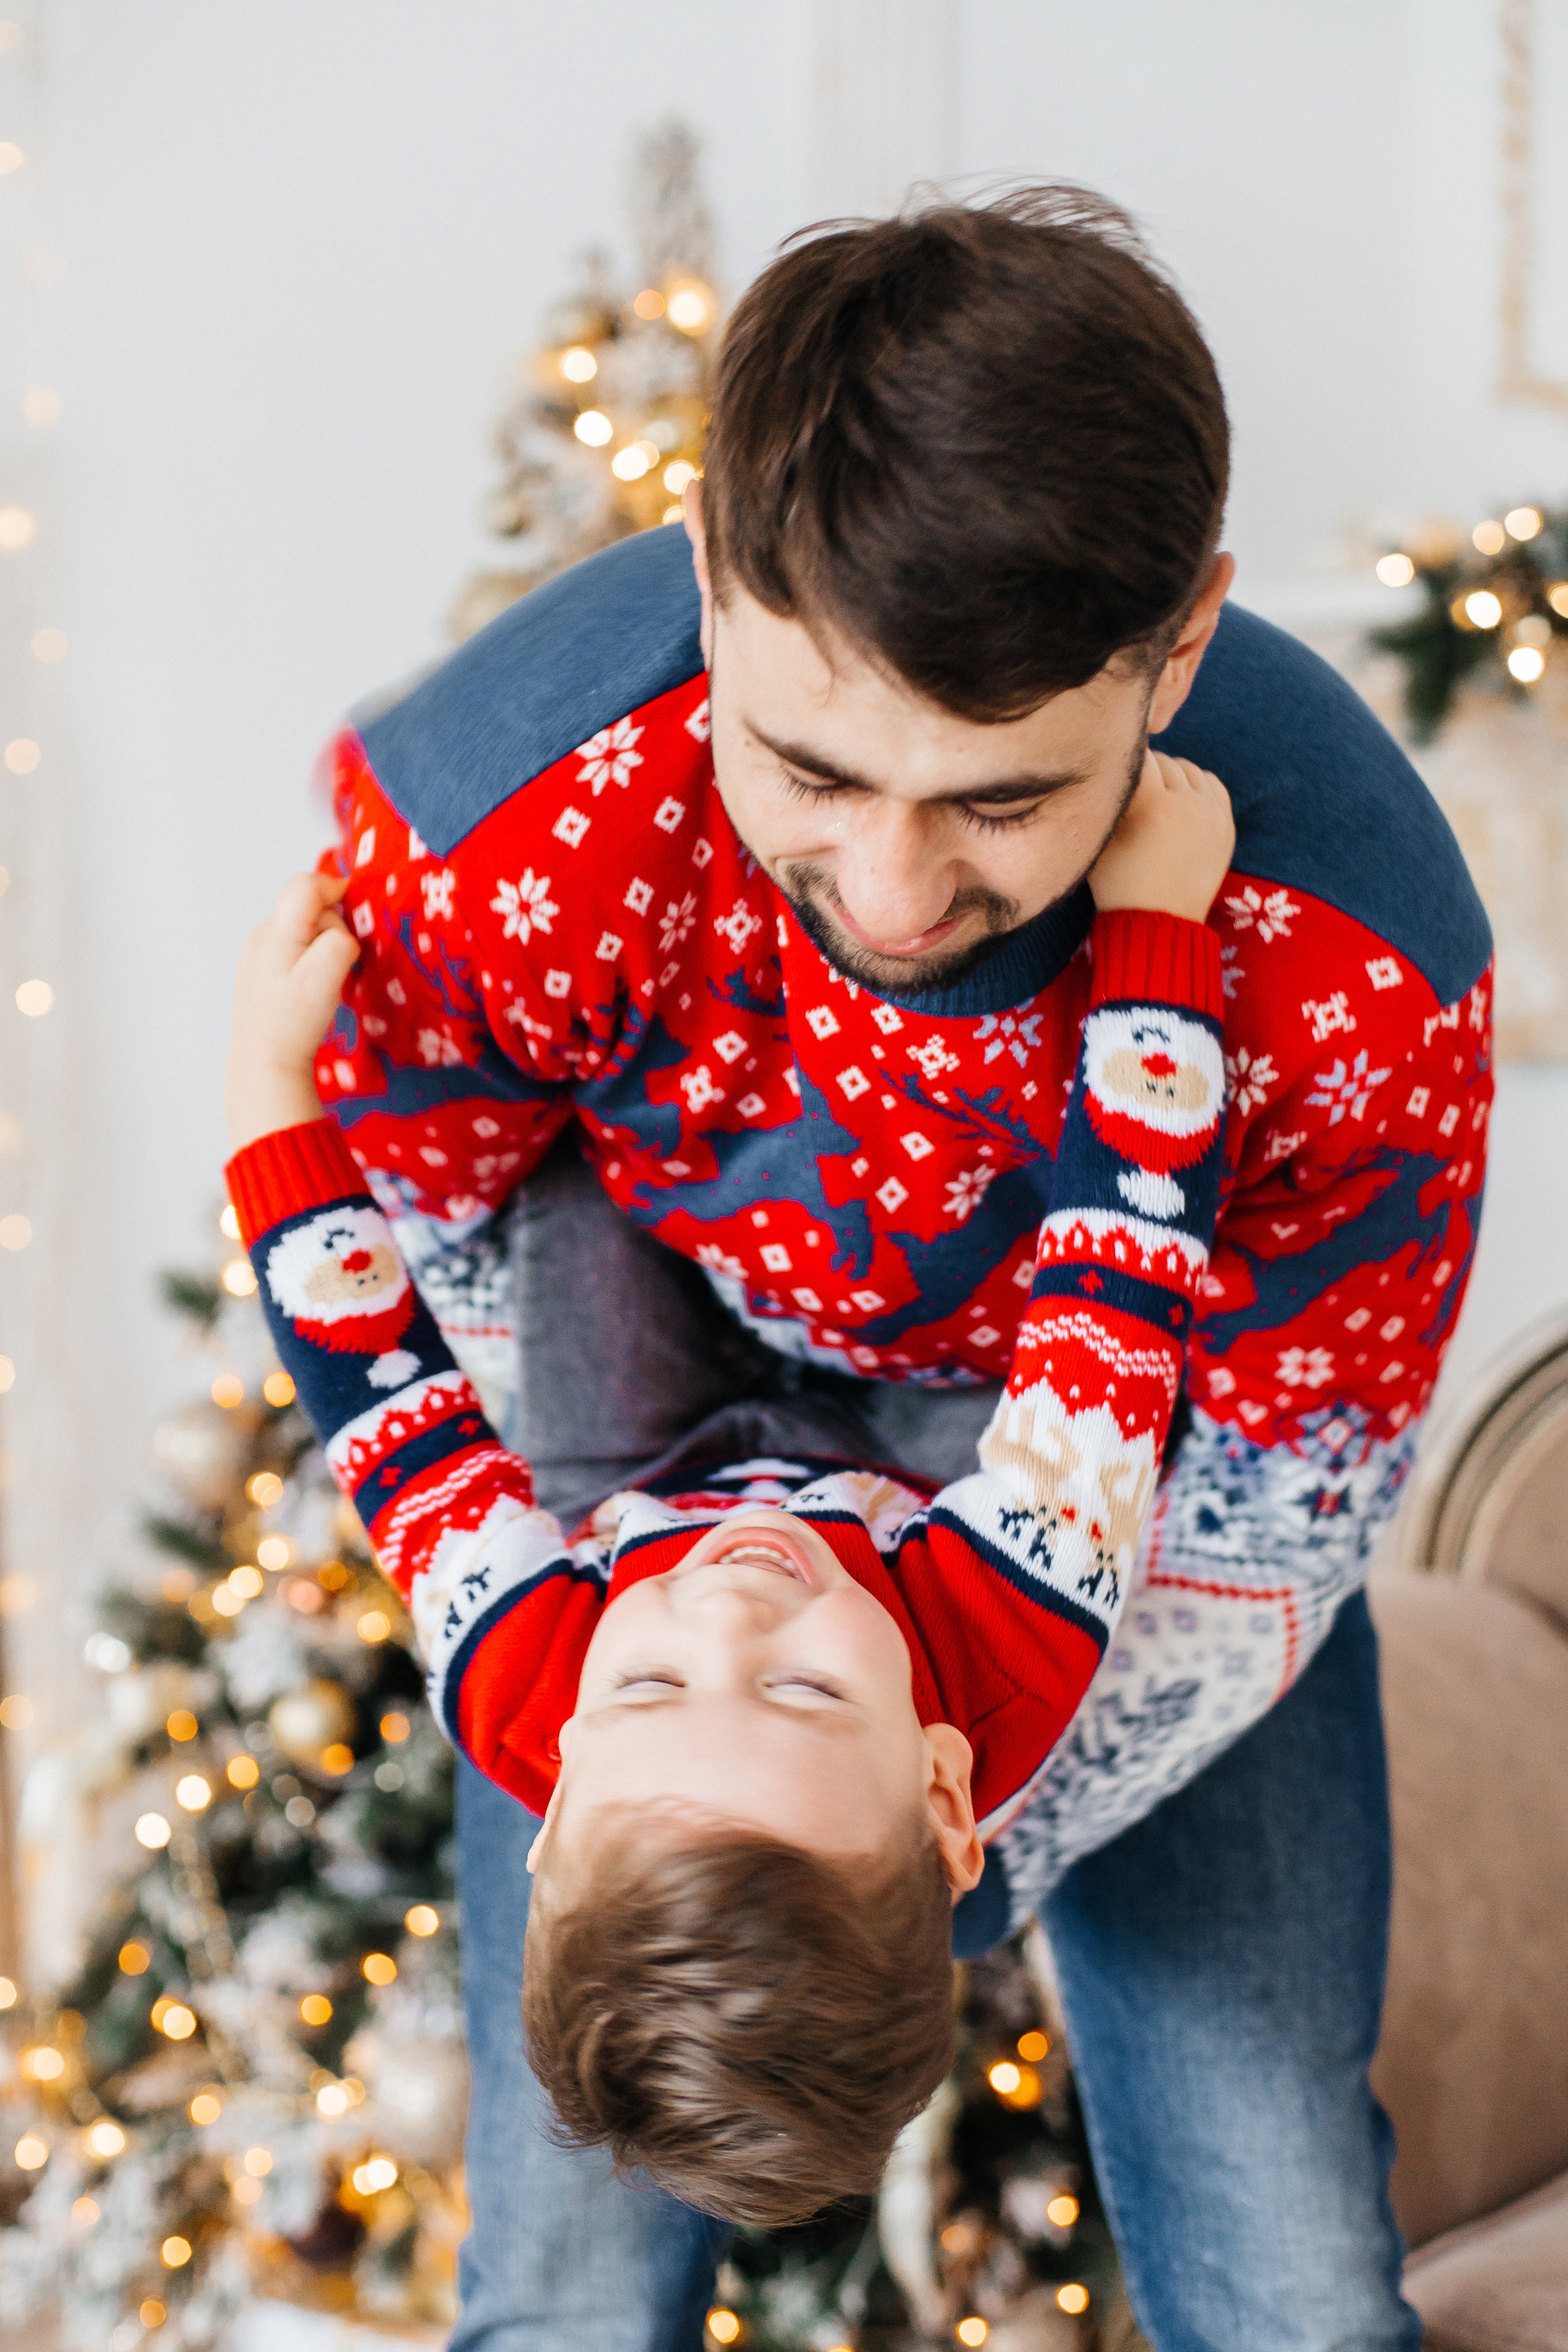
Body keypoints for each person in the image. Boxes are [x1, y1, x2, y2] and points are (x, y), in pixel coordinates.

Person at [296, 189, 1490, 2347]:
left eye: (1004, 801)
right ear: (713, 579)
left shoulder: (1361, 962)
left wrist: (929, 1800)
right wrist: (674, 1685)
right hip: (643, 1460)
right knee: (565, 2263)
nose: (896, 880)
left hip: (1164, 1495)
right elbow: (410, 1239)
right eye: (811, 769)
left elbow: (1295, 1472)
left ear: (1182, 652)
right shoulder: (513, 815)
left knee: (1286, 2240)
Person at [222, 744, 1234, 2225]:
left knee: (578, 1183)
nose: (730, 1618)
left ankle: (622, 1061)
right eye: (806, 1698)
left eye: (647, 1693)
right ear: (945, 1794)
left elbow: (383, 1400)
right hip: (917, 1501)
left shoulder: (521, 1679)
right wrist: (1154, 925)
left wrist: (267, 1086)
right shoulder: (1021, 1638)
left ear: (555, 1788)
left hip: (641, 1476)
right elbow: (1117, 1276)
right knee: (987, 1260)